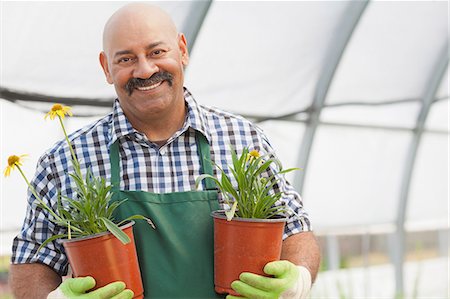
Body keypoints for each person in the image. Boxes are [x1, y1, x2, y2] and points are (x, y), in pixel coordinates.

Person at [9, 3, 320, 299]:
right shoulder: (65, 161)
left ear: (182, 50)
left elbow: (294, 229)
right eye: (126, 59)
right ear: (106, 67)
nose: (145, 70)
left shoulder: (243, 139)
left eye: (157, 52)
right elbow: (32, 260)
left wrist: (298, 279)